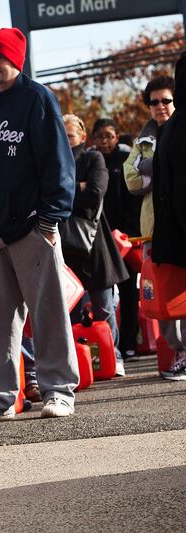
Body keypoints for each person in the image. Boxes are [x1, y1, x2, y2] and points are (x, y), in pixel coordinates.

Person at [0, 27, 79, 424]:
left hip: (32, 228)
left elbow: (59, 163)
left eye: (0, 57)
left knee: (48, 313)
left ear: (16, 60)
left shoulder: (38, 99)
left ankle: (59, 391)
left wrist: (49, 218)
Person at [124, 75, 186, 378]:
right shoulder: (143, 140)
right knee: (160, 297)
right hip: (153, 230)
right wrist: (161, 170)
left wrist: (153, 168)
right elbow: (131, 179)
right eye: (154, 102)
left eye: (166, 100)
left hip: (181, 224)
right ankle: (178, 351)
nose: (161, 106)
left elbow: (146, 173)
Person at [61, 114, 129, 376]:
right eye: (62, 135)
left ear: (82, 136)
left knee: (104, 306)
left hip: (93, 243)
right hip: (65, 247)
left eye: (70, 135)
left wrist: (71, 192)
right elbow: (49, 197)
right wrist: (77, 187)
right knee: (71, 311)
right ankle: (82, 361)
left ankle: (115, 355)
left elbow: (95, 194)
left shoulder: (92, 157)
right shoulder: (53, 161)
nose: (65, 140)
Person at [92, 117, 140, 362]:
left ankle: (130, 342)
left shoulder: (125, 160)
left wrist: (131, 231)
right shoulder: (90, 162)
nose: (105, 141)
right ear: (93, 139)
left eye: (109, 136)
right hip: (99, 238)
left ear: (116, 136)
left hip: (126, 236)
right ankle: (110, 348)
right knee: (103, 296)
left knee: (129, 290)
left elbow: (134, 197)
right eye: (100, 136)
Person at [151, 52, 186, 380]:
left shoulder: (172, 128)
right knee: (173, 305)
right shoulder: (172, 128)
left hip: (173, 230)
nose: (160, 105)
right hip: (175, 229)